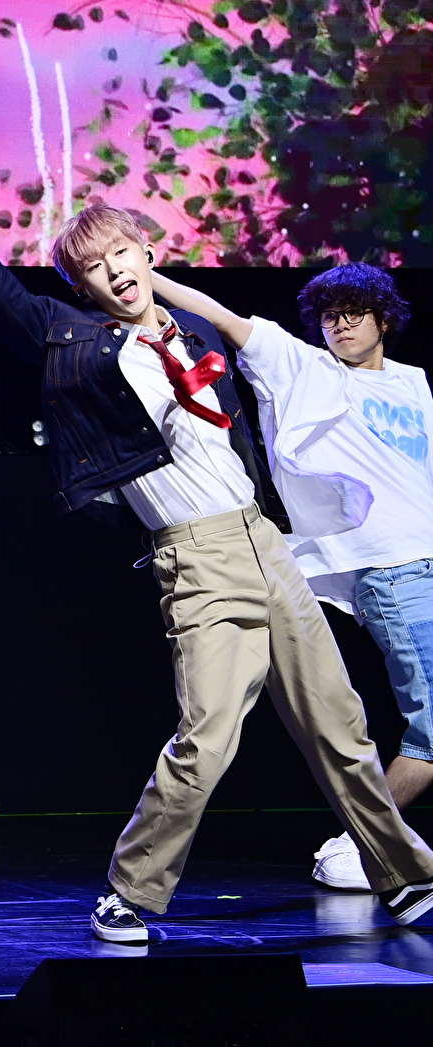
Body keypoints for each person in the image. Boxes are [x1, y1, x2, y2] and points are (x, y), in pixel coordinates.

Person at [0, 144, 433, 941]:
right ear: (82, 287)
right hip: (198, 557)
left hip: (264, 543)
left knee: (340, 723)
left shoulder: (191, 332)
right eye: (93, 267)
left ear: (145, 252)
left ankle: (404, 874)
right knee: (207, 736)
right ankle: (131, 890)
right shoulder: (80, 344)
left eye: (122, 252)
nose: (114, 271)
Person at [146, 264, 433, 892]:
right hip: (392, 569)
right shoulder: (302, 366)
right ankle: (363, 848)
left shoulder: (413, 383)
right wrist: (149, 273)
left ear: (384, 319)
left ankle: (372, 844)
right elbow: (221, 317)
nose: (342, 325)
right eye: (330, 315)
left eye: (355, 312)